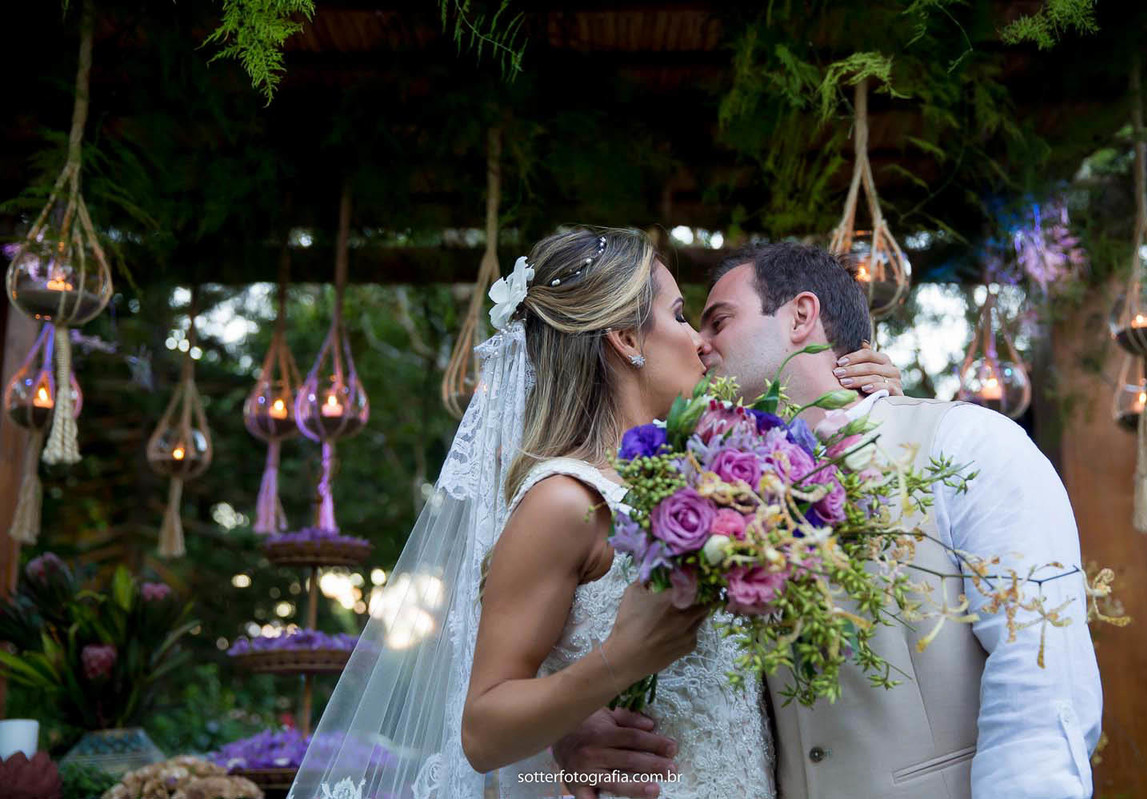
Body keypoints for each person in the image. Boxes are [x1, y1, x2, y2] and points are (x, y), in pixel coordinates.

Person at [287, 229, 902, 799]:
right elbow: (481, 730)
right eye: (681, 316)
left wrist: (875, 417)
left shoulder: (707, 481)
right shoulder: (565, 499)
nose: (700, 342)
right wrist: (615, 668)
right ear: (628, 339)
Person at [552, 241, 1102, 799]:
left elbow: (1040, 686)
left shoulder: (966, 444)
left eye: (719, 321)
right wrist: (569, 727)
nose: (700, 343)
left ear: (800, 315)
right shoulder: (715, 490)